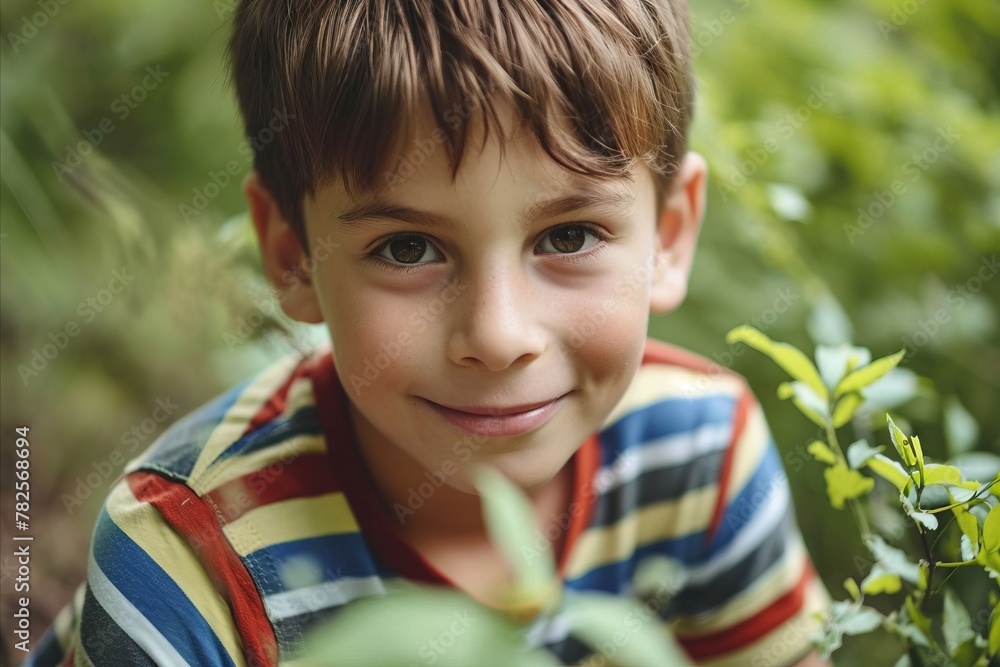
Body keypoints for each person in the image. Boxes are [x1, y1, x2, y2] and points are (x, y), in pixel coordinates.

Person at [29, 1, 829, 665]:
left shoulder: (702, 453)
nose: (498, 335)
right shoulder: (187, 556)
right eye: (407, 248)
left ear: (670, 236)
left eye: (570, 236)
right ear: (293, 256)